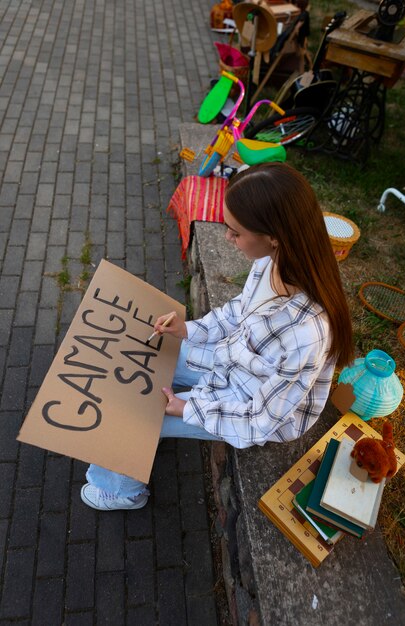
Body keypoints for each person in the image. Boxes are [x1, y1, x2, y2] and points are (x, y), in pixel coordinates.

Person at [80, 162, 354, 511]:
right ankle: (136, 449)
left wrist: (190, 407)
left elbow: (260, 419)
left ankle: (123, 490)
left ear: (273, 235)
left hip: (243, 406)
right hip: (230, 366)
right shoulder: (272, 261)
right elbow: (237, 312)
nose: (227, 238)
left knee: (128, 415)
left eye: (236, 232)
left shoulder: (305, 334)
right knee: (138, 351)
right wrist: (189, 330)